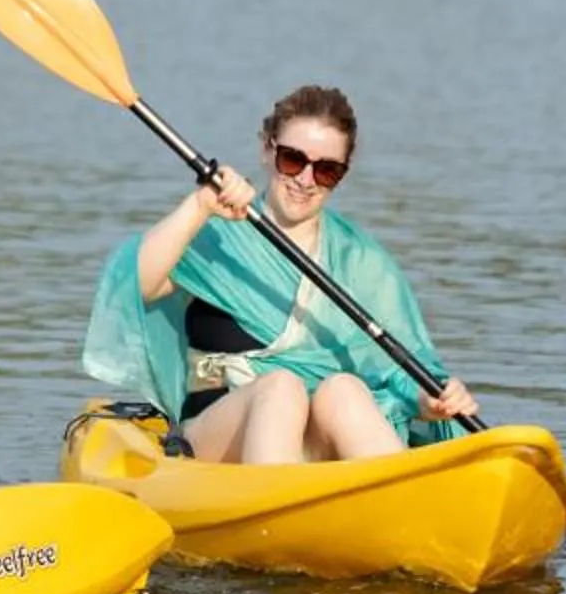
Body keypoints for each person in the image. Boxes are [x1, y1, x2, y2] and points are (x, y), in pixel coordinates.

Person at [80, 84, 478, 465]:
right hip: (218, 433)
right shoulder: (215, 236)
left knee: (345, 389)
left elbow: (402, 370)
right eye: (293, 159)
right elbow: (137, 286)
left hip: (316, 441)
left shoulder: (361, 259)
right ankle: (273, 510)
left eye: (326, 170)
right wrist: (200, 205)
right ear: (267, 149)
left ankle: (403, 505)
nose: (305, 180)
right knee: (281, 387)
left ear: (343, 172)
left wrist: (431, 402)